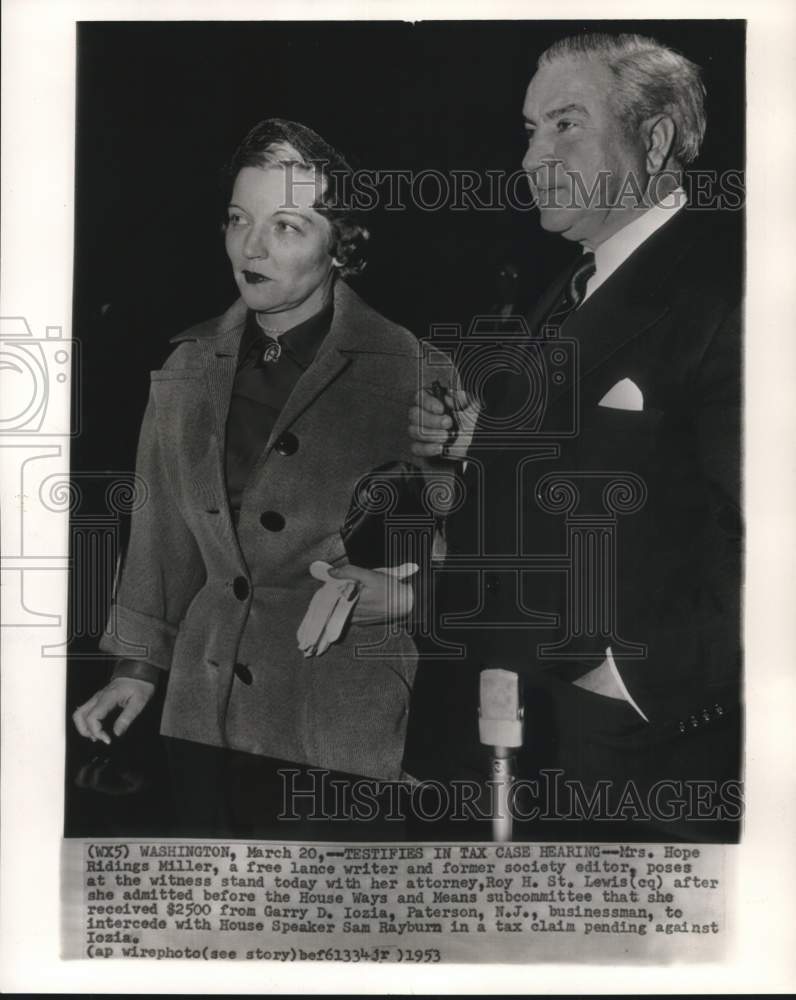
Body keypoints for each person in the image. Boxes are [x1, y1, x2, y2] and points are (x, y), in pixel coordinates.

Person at [406, 33, 742, 839]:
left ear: (654, 140)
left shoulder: (735, 287)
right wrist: (470, 446)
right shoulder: (572, 287)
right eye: (530, 129)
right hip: (513, 737)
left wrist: (624, 675)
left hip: (634, 762)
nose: (530, 158)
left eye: (564, 125)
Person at [73, 118, 450, 833]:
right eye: (239, 220)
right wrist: (138, 670)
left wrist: (405, 597)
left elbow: (466, 550)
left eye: (286, 226)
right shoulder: (185, 370)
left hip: (339, 712)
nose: (251, 247)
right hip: (202, 706)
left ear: (342, 247)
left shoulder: (414, 374)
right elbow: (160, 540)